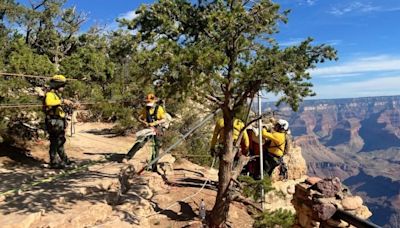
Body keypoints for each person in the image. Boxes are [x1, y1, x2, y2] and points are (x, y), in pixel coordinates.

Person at [126, 93, 166, 171]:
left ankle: (154, 166)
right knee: (140, 142)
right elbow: (140, 117)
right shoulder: (145, 108)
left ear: (154, 101)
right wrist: (143, 122)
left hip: (158, 129)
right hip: (148, 128)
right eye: (147, 102)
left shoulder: (159, 108)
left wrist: (154, 123)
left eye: (149, 102)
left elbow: (163, 119)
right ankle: (127, 157)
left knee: (156, 147)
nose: (148, 103)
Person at [43, 75, 76, 169]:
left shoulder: (56, 95)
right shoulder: (50, 94)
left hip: (58, 121)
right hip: (54, 121)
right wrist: (63, 101)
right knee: (57, 141)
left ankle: (61, 160)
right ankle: (57, 161)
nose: (63, 88)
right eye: (62, 86)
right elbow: (49, 102)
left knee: (57, 141)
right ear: (57, 86)